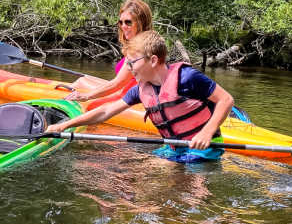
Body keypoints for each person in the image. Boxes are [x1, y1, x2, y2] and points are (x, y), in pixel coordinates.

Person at [47, 31, 235, 163]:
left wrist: (207, 132)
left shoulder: (187, 78)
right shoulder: (140, 90)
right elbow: (106, 111)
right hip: (174, 150)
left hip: (204, 150)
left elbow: (226, 100)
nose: (127, 69)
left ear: (153, 60)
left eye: (131, 63)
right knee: (133, 170)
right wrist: (64, 125)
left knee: (154, 178)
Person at [65, 0, 153, 101]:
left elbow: (117, 84)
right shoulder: (148, 42)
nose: (123, 26)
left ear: (140, 23)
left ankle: (62, 100)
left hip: (125, 96)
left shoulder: (138, 49)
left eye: (128, 22)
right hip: (126, 91)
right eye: (121, 22)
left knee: (81, 82)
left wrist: (86, 96)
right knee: (84, 78)